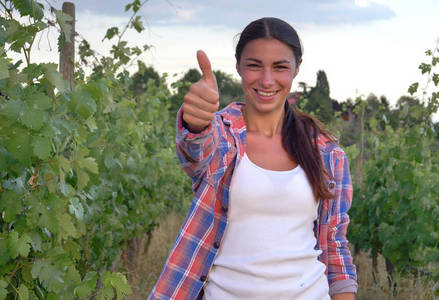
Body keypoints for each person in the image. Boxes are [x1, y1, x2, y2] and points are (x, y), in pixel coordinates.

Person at [148, 17, 357, 300]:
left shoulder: (327, 152)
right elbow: (194, 151)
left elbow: (334, 245)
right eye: (254, 65)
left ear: (297, 68)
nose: (267, 80)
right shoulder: (222, 136)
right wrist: (195, 123)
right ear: (238, 67)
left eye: (280, 67)